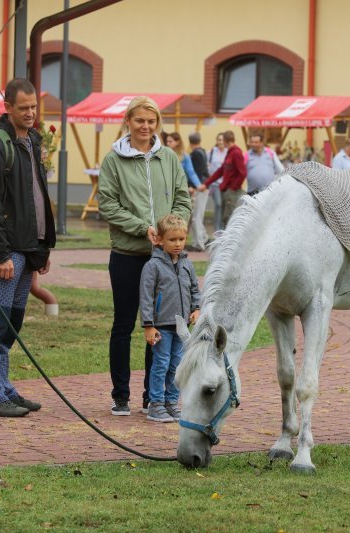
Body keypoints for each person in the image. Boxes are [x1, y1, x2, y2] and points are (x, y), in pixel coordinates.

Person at [98, 96, 192, 416]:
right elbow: (108, 204)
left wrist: (170, 231)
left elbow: (182, 198)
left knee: (161, 328)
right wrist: (142, 228)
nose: (145, 126)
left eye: (151, 121)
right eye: (140, 120)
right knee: (124, 324)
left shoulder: (168, 158)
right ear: (128, 121)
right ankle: (120, 395)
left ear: (158, 124)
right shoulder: (113, 160)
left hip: (163, 259)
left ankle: (153, 397)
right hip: (127, 254)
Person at [0, 78, 57, 417]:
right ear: (7, 107)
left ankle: (3, 386)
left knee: (11, 321)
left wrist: (42, 248)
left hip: (27, 247)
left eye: (34, 107)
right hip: (3, 250)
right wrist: (2, 254)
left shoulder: (32, 140)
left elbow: (37, 196)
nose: (30, 113)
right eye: (23, 108)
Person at [139, 214, 200, 422]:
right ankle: (156, 404)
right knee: (161, 364)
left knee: (177, 365)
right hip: (161, 326)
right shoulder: (152, 266)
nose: (177, 244)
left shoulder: (187, 264)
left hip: (182, 327)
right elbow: (145, 297)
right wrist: (148, 325)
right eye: (172, 240)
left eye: (181, 239)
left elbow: (194, 289)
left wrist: (196, 308)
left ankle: (171, 402)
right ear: (160, 240)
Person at [198, 130, 246, 228]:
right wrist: (206, 183)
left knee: (229, 218)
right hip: (225, 189)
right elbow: (221, 171)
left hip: (231, 192)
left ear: (225, 141)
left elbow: (243, 173)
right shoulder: (230, 153)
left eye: (222, 140)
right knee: (224, 218)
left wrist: (233, 188)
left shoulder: (236, 153)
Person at [187, 132, 210, 251]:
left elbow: (196, 172)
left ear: (190, 142)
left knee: (196, 217)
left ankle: (199, 244)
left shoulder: (195, 154)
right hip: (204, 187)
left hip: (199, 188)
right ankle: (204, 238)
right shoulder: (203, 151)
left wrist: (193, 186)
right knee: (198, 215)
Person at [207, 133, 227, 233]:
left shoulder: (228, 152)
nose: (220, 142)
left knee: (223, 205)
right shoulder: (212, 152)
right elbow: (206, 164)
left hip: (225, 184)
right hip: (214, 184)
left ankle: (223, 229)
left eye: (222, 140)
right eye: (219, 140)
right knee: (218, 204)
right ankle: (216, 229)